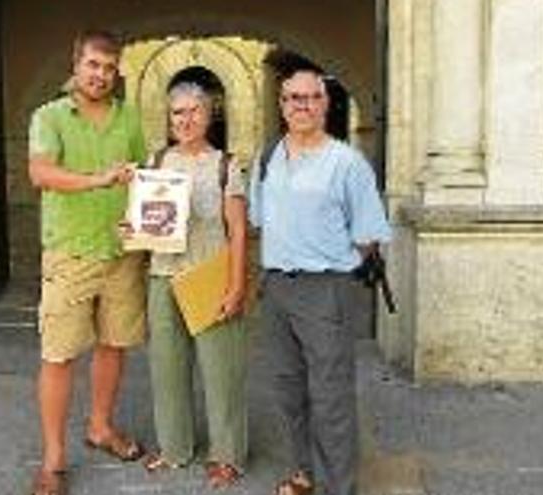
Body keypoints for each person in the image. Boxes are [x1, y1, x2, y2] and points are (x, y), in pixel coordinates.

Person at [248, 68, 392, 495]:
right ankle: (304, 472)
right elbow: (258, 219)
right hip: (276, 287)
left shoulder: (347, 162)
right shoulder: (269, 156)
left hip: (325, 287)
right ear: (282, 104)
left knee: (330, 396)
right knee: (289, 389)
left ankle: (338, 485)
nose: (302, 105)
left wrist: (333, 266)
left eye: (312, 97)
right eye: (293, 98)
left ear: (326, 103)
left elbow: (367, 234)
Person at [26, 29, 147, 495]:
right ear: (75, 66)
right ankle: (53, 458)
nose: (100, 74)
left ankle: (100, 427)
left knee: (114, 344)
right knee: (58, 354)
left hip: (120, 253)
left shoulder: (129, 117)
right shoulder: (50, 116)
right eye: (93, 65)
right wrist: (99, 180)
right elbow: (41, 173)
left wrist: (143, 221)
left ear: (117, 73)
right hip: (71, 252)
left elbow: (141, 177)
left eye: (109, 67)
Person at [131, 82, 248, 489]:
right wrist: (131, 228)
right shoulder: (157, 160)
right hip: (163, 277)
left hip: (209, 274)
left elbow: (237, 231)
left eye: (193, 111)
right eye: (177, 113)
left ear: (208, 115)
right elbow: (144, 222)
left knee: (221, 371)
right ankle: (175, 448)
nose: (185, 119)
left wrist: (235, 287)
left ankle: (227, 455)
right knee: (166, 367)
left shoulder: (225, 165)